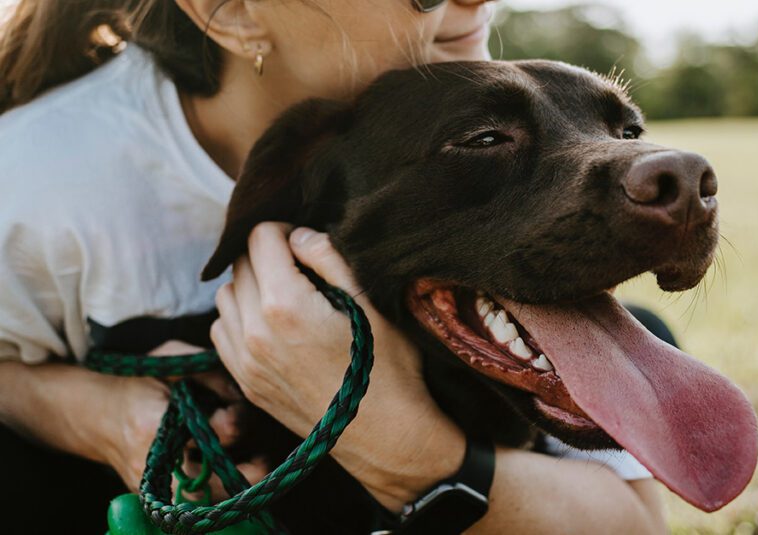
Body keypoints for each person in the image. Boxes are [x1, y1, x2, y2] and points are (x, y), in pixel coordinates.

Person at [0, 0, 668, 532]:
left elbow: (634, 524)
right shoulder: (39, 178)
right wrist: (107, 416)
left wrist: (398, 440)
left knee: (641, 329)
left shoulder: (450, 116)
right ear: (234, 11)